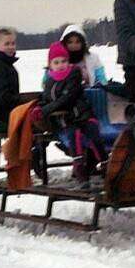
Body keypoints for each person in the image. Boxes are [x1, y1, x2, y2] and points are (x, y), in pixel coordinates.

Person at [38, 41, 108, 188]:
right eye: (56, 62)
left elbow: (69, 97)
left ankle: (105, 165)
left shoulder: (74, 74)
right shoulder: (50, 81)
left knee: (93, 134)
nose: (61, 65)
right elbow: (46, 98)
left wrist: (47, 109)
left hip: (82, 115)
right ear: (50, 65)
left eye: (64, 61)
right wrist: (41, 108)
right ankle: (81, 172)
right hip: (66, 121)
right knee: (74, 136)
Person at [42, 23, 107, 87]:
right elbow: (46, 82)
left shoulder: (93, 58)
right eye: (70, 42)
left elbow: (101, 78)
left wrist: (101, 86)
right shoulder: (59, 59)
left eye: (77, 42)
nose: (74, 45)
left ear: (83, 43)